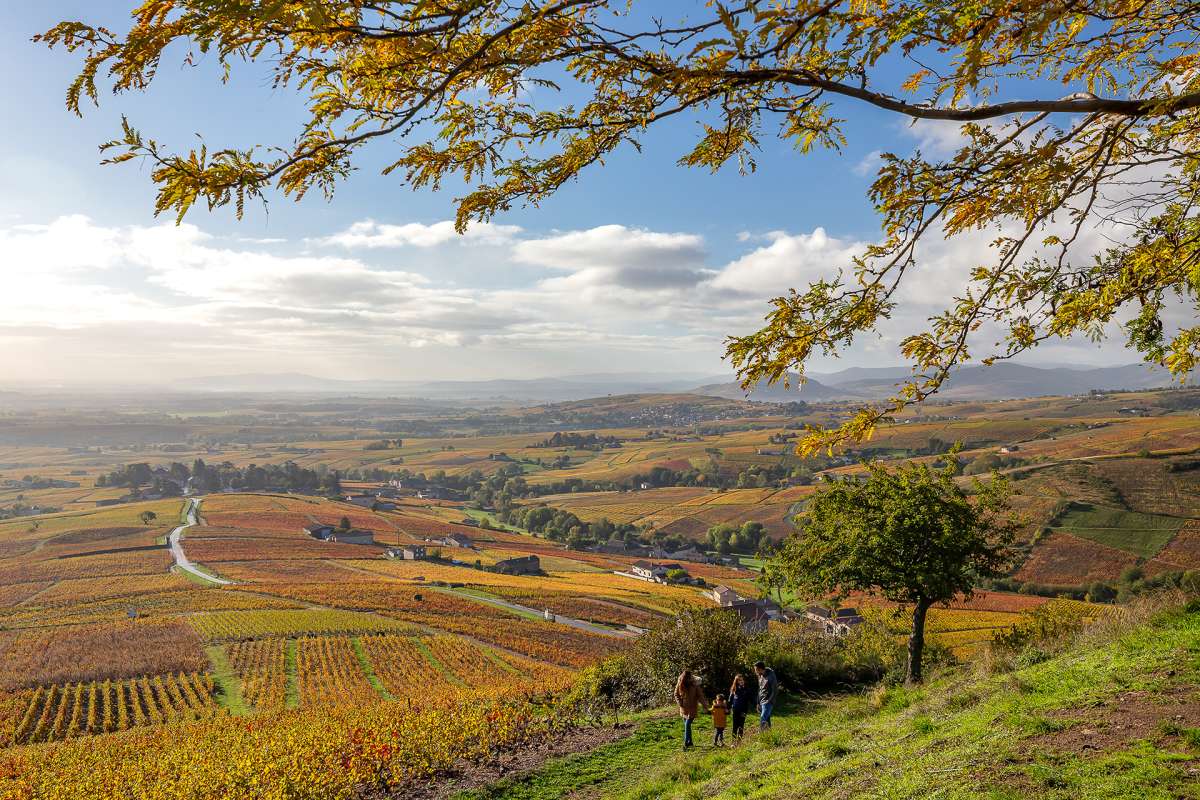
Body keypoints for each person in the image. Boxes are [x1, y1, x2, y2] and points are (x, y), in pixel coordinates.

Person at [673, 669, 706, 749]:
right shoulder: (680, 683)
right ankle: (690, 742)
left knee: (687, 724)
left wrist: (705, 706)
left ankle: (685, 744)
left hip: (692, 708)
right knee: (687, 726)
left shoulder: (695, 684)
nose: (689, 679)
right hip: (684, 708)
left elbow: (700, 696)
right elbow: (676, 694)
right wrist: (680, 703)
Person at [754, 660, 778, 731]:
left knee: (763, 718)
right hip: (761, 701)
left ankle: (761, 735)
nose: (755, 671)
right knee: (767, 720)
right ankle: (769, 736)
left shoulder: (771, 676)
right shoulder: (760, 676)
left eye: (755, 669)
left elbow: (775, 690)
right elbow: (760, 690)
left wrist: (769, 701)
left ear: (760, 669)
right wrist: (758, 703)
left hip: (768, 701)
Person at [728, 673, 752, 741]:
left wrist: (757, 704)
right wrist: (728, 708)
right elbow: (730, 700)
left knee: (741, 725)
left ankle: (739, 741)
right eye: (739, 680)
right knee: (735, 725)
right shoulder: (734, 690)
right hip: (735, 710)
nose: (741, 681)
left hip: (744, 710)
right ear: (736, 681)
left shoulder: (746, 689)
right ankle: (733, 741)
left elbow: (751, 698)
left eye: (742, 680)